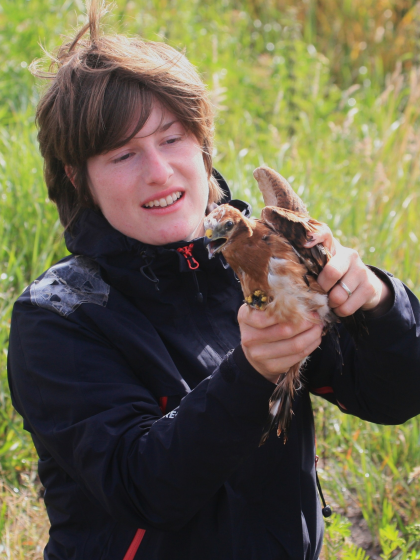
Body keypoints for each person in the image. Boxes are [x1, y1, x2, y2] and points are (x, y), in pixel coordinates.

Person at [7, 2, 420, 559]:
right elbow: (143, 487)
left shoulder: (262, 262)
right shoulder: (57, 318)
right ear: (79, 179)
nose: (159, 170)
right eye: (123, 154)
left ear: (203, 148)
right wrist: (252, 375)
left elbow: (394, 396)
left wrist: (377, 303)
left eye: (173, 139)